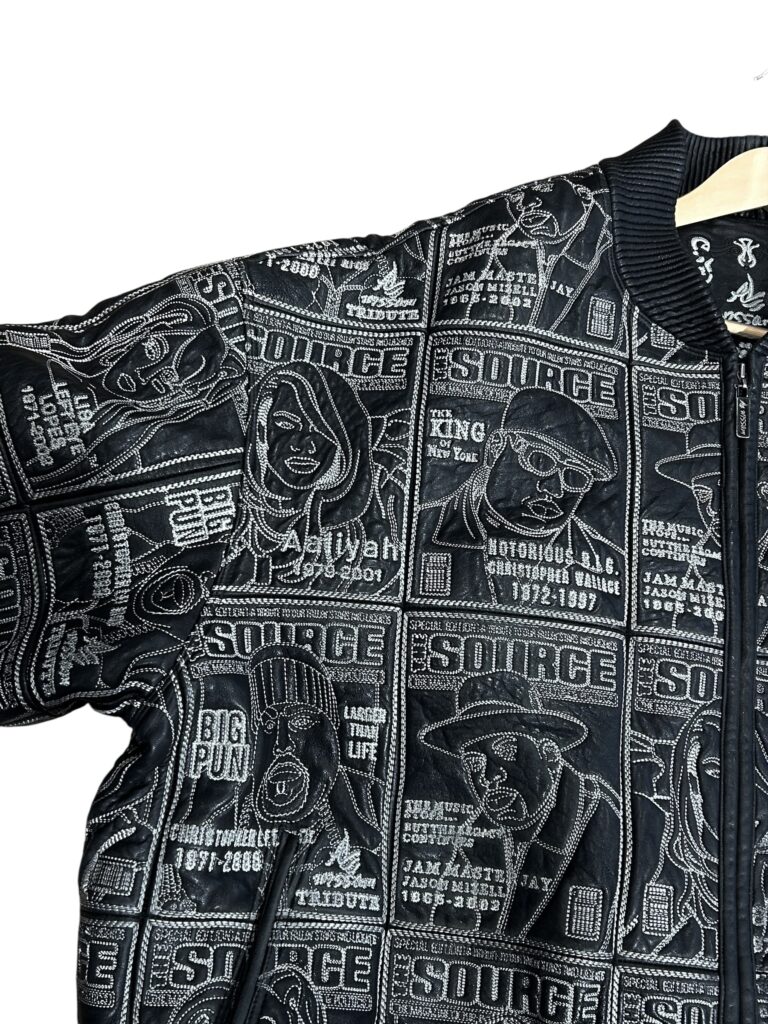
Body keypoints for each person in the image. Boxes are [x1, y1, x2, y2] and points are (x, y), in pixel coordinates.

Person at [419, 670, 620, 951]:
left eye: (505, 750)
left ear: (549, 754)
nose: (488, 777)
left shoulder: (604, 821)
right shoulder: (474, 839)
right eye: (474, 763)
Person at [420, 387, 621, 608]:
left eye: (575, 477)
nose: (554, 490)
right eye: (541, 461)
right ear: (496, 448)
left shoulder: (606, 563)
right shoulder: (420, 529)